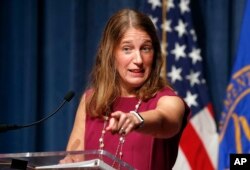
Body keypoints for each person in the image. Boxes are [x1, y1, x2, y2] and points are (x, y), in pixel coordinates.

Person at [60, 8, 190, 170]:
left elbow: (164, 120)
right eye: (127, 49)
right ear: (110, 54)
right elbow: (74, 159)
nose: (138, 60)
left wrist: (137, 119)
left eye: (145, 48)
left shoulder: (168, 99)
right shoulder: (91, 100)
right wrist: (69, 164)